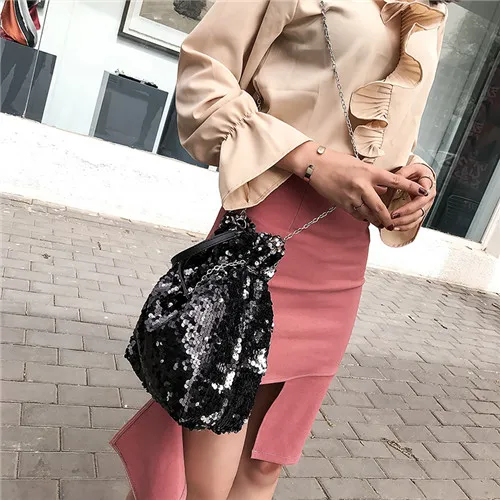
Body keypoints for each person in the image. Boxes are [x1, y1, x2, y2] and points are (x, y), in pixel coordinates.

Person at [117, 0, 449, 498]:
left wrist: (412, 174)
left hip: (341, 262)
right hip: (264, 240)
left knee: (265, 465)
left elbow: (381, 126)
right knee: (208, 468)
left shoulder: (429, 12)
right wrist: (311, 159)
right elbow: (204, 77)